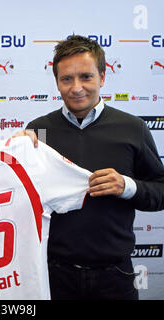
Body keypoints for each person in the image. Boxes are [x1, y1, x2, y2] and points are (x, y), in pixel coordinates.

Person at [18, 35, 164, 300]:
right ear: (56, 82)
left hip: (116, 277)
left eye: (86, 76)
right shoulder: (38, 131)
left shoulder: (133, 128)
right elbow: (16, 197)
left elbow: (161, 191)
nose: (76, 88)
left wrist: (127, 187)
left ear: (103, 77)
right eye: (67, 79)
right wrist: (14, 157)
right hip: (54, 276)